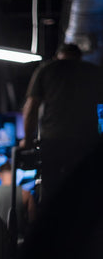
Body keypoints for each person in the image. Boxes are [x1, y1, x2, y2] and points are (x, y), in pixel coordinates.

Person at [22, 42, 102, 204]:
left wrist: (28, 140)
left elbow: (31, 108)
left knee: (51, 190)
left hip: (54, 140)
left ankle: (52, 224)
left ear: (58, 56)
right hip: (86, 142)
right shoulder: (94, 72)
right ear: (79, 57)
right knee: (86, 190)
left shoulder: (46, 70)